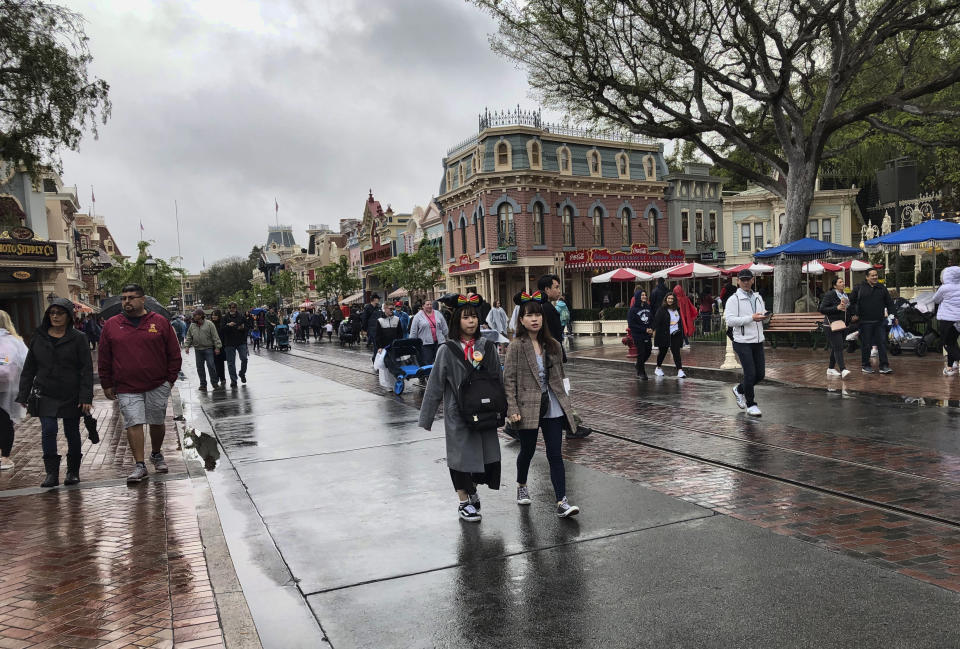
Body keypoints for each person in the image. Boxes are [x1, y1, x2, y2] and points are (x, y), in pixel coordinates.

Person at [418, 296, 503, 522]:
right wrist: (426, 418)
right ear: (457, 321)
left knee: (483, 457)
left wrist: (505, 408)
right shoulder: (446, 350)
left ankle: (472, 488)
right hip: (458, 412)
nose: (471, 322)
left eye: (474, 316)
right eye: (466, 317)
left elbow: (498, 379)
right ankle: (463, 501)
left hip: (484, 410)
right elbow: (435, 384)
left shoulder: (487, 347)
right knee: (459, 457)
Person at [503, 295, 580, 518]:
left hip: (553, 405)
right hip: (527, 405)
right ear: (522, 320)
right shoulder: (516, 346)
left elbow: (561, 377)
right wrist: (512, 408)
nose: (535, 319)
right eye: (529, 315)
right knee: (527, 450)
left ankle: (562, 501)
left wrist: (568, 404)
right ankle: (521, 485)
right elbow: (508, 381)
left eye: (538, 314)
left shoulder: (553, 344)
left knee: (555, 454)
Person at [97, 284, 182, 484]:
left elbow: (174, 353)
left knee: (156, 422)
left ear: (142, 300)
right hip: (126, 386)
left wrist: (169, 380)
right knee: (133, 422)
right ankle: (140, 465)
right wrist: (106, 382)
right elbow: (104, 357)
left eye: (131, 297)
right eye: (124, 298)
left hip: (157, 384)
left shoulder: (160, 322)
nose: (127, 301)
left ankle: (156, 453)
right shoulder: (111, 325)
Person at [17, 298, 93, 487]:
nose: (55, 317)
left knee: (72, 432)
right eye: (52, 313)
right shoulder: (39, 337)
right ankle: (51, 473)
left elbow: (86, 369)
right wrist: (23, 394)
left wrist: (85, 396)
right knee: (49, 430)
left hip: (71, 393)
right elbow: (29, 368)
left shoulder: (79, 338)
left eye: (60, 313)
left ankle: (72, 471)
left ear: (69, 316)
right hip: (45, 392)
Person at [725, 269, 767, 417]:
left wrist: (764, 316)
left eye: (748, 279)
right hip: (742, 341)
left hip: (757, 339)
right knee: (750, 373)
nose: (746, 282)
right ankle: (751, 404)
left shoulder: (757, 297)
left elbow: (760, 313)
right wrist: (751, 318)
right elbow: (729, 320)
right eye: (743, 280)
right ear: (738, 281)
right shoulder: (733, 299)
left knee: (760, 374)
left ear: (753, 280)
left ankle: (740, 389)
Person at [849, 268, 895, 374]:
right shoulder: (859, 288)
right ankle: (866, 365)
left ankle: (884, 366)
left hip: (879, 321)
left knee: (882, 344)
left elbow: (889, 303)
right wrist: (854, 314)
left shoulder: (881, 288)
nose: (875, 277)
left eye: (876, 275)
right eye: (872, 275)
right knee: (866, 345)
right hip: (865, 322)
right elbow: (851, 302)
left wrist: (894, 316)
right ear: (867, 277)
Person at [0, 311, 27, 471]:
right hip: (8, 388)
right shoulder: (15, 341)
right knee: (6, 422)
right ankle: (5, 457)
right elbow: (26, 363)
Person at [819, 277, 851, 378]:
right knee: (839, 346)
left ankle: (830, 368)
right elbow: (822, 309)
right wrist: (836, 308)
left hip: (842, 324)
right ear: (834, 286)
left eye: (843, 282)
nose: (843, 283)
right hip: (830, 325)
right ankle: (843, 369)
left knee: (836, 347)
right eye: (840, 282)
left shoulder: (845, 295)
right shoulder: (830, 294)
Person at [184, 308, 222, 391]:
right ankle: (203, 384)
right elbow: (189, 337)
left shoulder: (209, 324)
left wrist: (217, 347)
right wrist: (186, 346)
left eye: (195, 315)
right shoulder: (192, 325)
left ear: (201, 316)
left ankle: (215, 383)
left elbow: (215, 336)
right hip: (198, 350)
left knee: (211, 366)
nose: (193, 316)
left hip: (208, 348)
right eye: (193, 315)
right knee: (200, 368)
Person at [933, 265, 960, 376]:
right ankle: (950, 366)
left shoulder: (944, 288)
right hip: (958, 319)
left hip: (947, 319)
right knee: (953, 342)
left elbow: (935, 299)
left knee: (947, 344)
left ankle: (955, 361)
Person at [651, 292, 686, 378]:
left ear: (674, 300)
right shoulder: (661, 310)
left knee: (676, 352)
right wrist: (651, 329)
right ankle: (658, 367)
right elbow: (656, 321)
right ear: (666, 299)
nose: (670, 300)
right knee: (663, 352)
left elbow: (680, 322)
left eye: (672, 299)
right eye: (669, 298)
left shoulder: (677, 309)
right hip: (665, 334)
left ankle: (680, 370)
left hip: (676, 334)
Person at [409, 299, 448, 365]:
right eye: (427, 304)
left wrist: (446, 337)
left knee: (440, 361)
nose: (429, 306)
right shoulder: (418, 316)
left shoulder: (438, 313)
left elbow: (444, 327)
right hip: (425, 344)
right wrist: (412, 343)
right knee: (428, 362)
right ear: (423, 306)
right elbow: (413, 331)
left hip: (439, 342)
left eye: (430, 304)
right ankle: (429, 375)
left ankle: (439, 375)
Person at [221, 302, 249, 387]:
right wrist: (228, 325)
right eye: (230, 307)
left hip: (241, 341)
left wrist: (243, 328)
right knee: (231, 362)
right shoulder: (225, 318)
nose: (231, 309)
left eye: (233, 307)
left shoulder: (241, 316)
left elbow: (248, 326)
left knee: (244, 359)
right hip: (229, 342)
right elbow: (222, 329)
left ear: (236, 308)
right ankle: (234, 380)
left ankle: (242, 373)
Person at [627, 288, 653, 379]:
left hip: (647, 334)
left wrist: (651, 328)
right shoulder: (633, 310)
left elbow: (651, 319)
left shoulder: (648, 307)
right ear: (638, 296)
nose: (644, 296)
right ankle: (641, 372)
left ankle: (638, 364)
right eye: (642, 295)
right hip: (638, 335)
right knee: (641, 352)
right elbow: (632, 325)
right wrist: (644, 330)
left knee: (648, 351)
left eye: (645, 295)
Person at [209, 309, 227, 386]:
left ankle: (222, 377)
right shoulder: (210, 324)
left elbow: (222, 335)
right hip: (212, 346)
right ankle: (217, 377)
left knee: (220, 362)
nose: (213, 316)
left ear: (219, 316)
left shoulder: (222, 324)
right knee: (215, 363)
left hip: (221, 345)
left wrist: (219, 346)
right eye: (212, 315)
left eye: (215, 315)